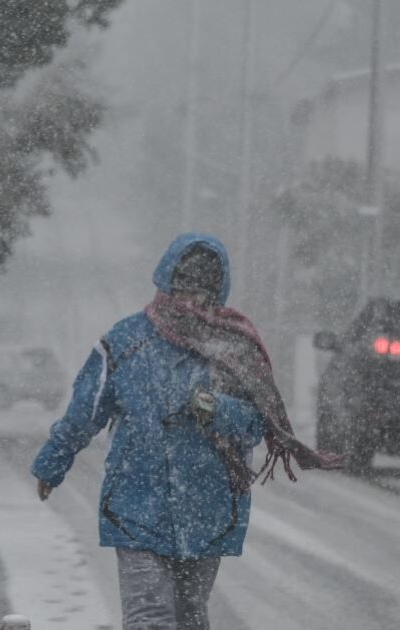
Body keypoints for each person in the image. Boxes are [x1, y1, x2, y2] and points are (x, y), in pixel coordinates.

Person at [31, 233, 341, 630]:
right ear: (166, 283)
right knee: (149, 618)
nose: (192, 301)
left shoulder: (235, 348)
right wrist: (53, 462)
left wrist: (218, 410)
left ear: (218, 292)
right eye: (184, 288)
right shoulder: (125, 343)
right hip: (135, 506)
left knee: (190, 616)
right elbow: (84, 411)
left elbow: (255, 425)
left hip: (207, 509)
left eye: (203, 291)